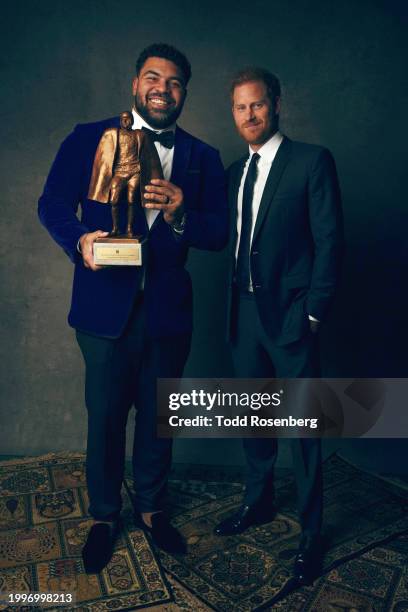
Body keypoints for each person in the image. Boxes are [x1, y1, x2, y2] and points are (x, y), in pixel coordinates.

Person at [38, 43, 228, 573]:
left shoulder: (203, 157)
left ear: (184, 92)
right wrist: (79, 239)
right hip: (102, 310)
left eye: (173, 82)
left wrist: (184, 212)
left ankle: (151, 508)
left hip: (168, 313)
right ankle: (104, 516)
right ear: (134, 83)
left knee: (158, 420)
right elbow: (51, 203)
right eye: (152, 77)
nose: (161, 89)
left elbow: (219, 233)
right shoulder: (89, 137)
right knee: (104, 419)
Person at [213, 67, 343, 585]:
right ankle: (259, 502)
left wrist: (313, 312)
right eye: (241, 108)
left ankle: (311, 535)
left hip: (291, 317)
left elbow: (330, 239)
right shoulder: (232, 172)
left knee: (303, 426)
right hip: (242, 315)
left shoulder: (311, 161)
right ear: (234, 113)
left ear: (276, 105)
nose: (250, 115)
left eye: (258, 105)